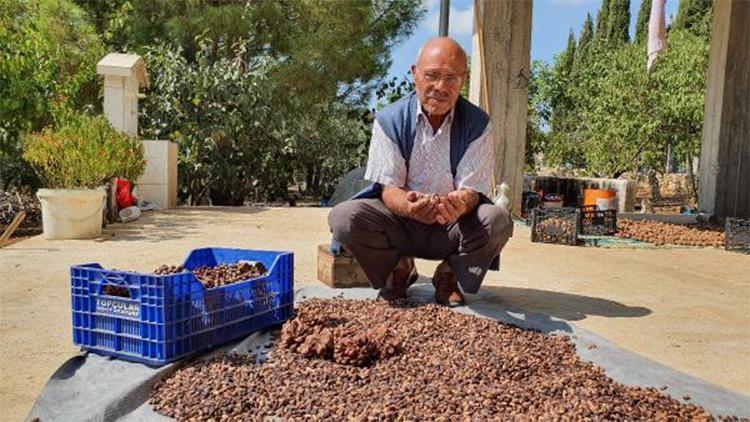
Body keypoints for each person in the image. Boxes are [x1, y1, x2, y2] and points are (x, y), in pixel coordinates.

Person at [328, 37, 513, 307]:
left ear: (464, 79)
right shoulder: (390, 119)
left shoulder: (478, 124)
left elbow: (472, 191)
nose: (440, 87)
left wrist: (459, 203)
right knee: (344, 218)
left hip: (452, 226)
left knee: (497, 220)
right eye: (432, 76)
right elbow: (389, 189)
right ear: (415, 74)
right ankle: (398, 268)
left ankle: (448, 274)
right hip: (400, 223)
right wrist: (408, 204)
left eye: (451, 77)